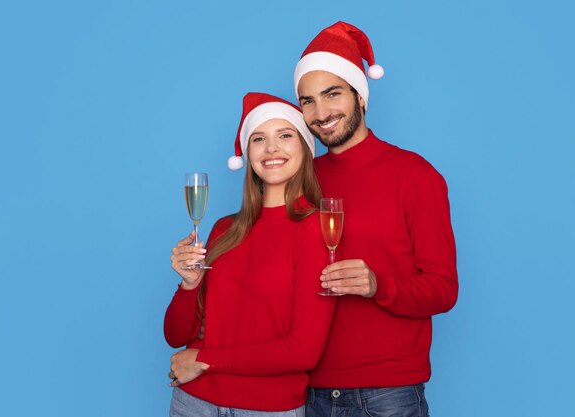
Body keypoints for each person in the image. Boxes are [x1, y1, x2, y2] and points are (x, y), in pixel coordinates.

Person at [293, 21, 459, 416]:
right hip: (308, 391)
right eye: (307, 101)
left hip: (389, 394)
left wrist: (378, 285)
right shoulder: (301, 179)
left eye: (332, 94)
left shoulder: (416, 176)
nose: (321, 113)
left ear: (360, 97)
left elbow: (444, 289)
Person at [164, 92, 336, 416]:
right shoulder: (223, 230)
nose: (271, 148)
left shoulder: (316, 230)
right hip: (193, 402)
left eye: (285, 135)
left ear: (304, 147)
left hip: (268, 408)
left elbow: (303, 351)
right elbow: (176, 336)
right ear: (249, 153)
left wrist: (205, 360)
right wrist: (188, 286)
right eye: (259, 139)